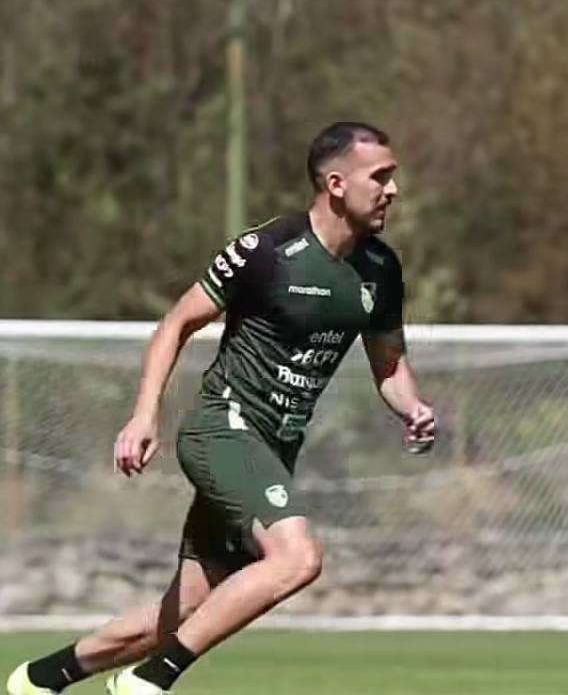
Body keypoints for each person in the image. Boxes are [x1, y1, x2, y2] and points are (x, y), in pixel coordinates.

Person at [6, 121, 435, 695]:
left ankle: (38, 679)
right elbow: (175, 323)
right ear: (335, 184)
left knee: (185, 612)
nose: (392, 190)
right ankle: (150, 681)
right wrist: (144, 415)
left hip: (274, 450)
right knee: (297, 558)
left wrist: (412, 407)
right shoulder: (267, 251)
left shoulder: (381, 270)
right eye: (380, 177)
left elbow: (389, 364)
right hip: (223, 428)